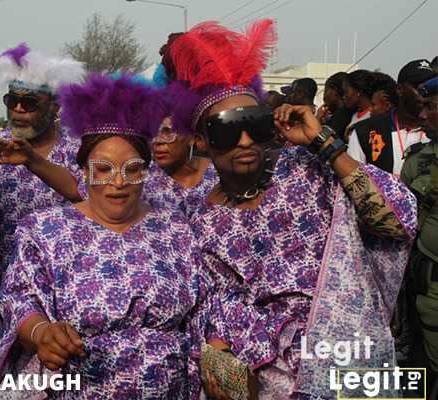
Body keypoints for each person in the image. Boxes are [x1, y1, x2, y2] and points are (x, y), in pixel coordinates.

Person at [167, 19, 417, 399]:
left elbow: (396, 221)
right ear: (202, 140)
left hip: (345, 360)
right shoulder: (195, 216)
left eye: (255, 123)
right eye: (226, 129)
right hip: (264, 380)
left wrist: (322, 141)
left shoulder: (308, 169)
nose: (246, 139)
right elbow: (206, 311)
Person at [0, 74, 229, 400]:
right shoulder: (44, 231)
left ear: (145, 172)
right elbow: (19, 300)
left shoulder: (176, 231)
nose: (118, 183)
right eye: (104, 169)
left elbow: (207, 306)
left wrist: (219, 361)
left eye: (131, 169)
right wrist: (43, 333)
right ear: (84, 172)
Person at [0, 43, 84, 300]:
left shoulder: (80, 149)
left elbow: (93, 197)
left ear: (55, 106)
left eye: (29, 103)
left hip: (65, 285)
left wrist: (33, 161)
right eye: (12, 101)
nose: (18, 110)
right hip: (1, 287)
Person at [400, 75, 438, 391]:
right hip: (427, 288)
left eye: (431, 107)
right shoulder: (418, 161)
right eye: (423, 107)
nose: (423, 115)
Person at [347, 60, 435, 175]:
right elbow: (352, 178)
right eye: (419, 87)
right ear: (399, 90)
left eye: (432, 87)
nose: (426, 93)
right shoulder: (365, 131)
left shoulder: (435, 130)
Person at [146, 116, 217, 216]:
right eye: (152, 133)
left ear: (191, 138)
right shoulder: (143, 181)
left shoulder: (220, 173)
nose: (157, 141)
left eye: (168, 132)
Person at [317, 72, 353, 139]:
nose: (324, 97)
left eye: (325, 91)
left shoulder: (341, 115)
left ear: (334, 90)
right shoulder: (351, 112)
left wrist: (317, 120)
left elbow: (321, 139)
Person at [342, 69, 375, 137]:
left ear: (358, 91)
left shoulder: (373, 115)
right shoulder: (355, 115)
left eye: (346, 92)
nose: (343, 97)